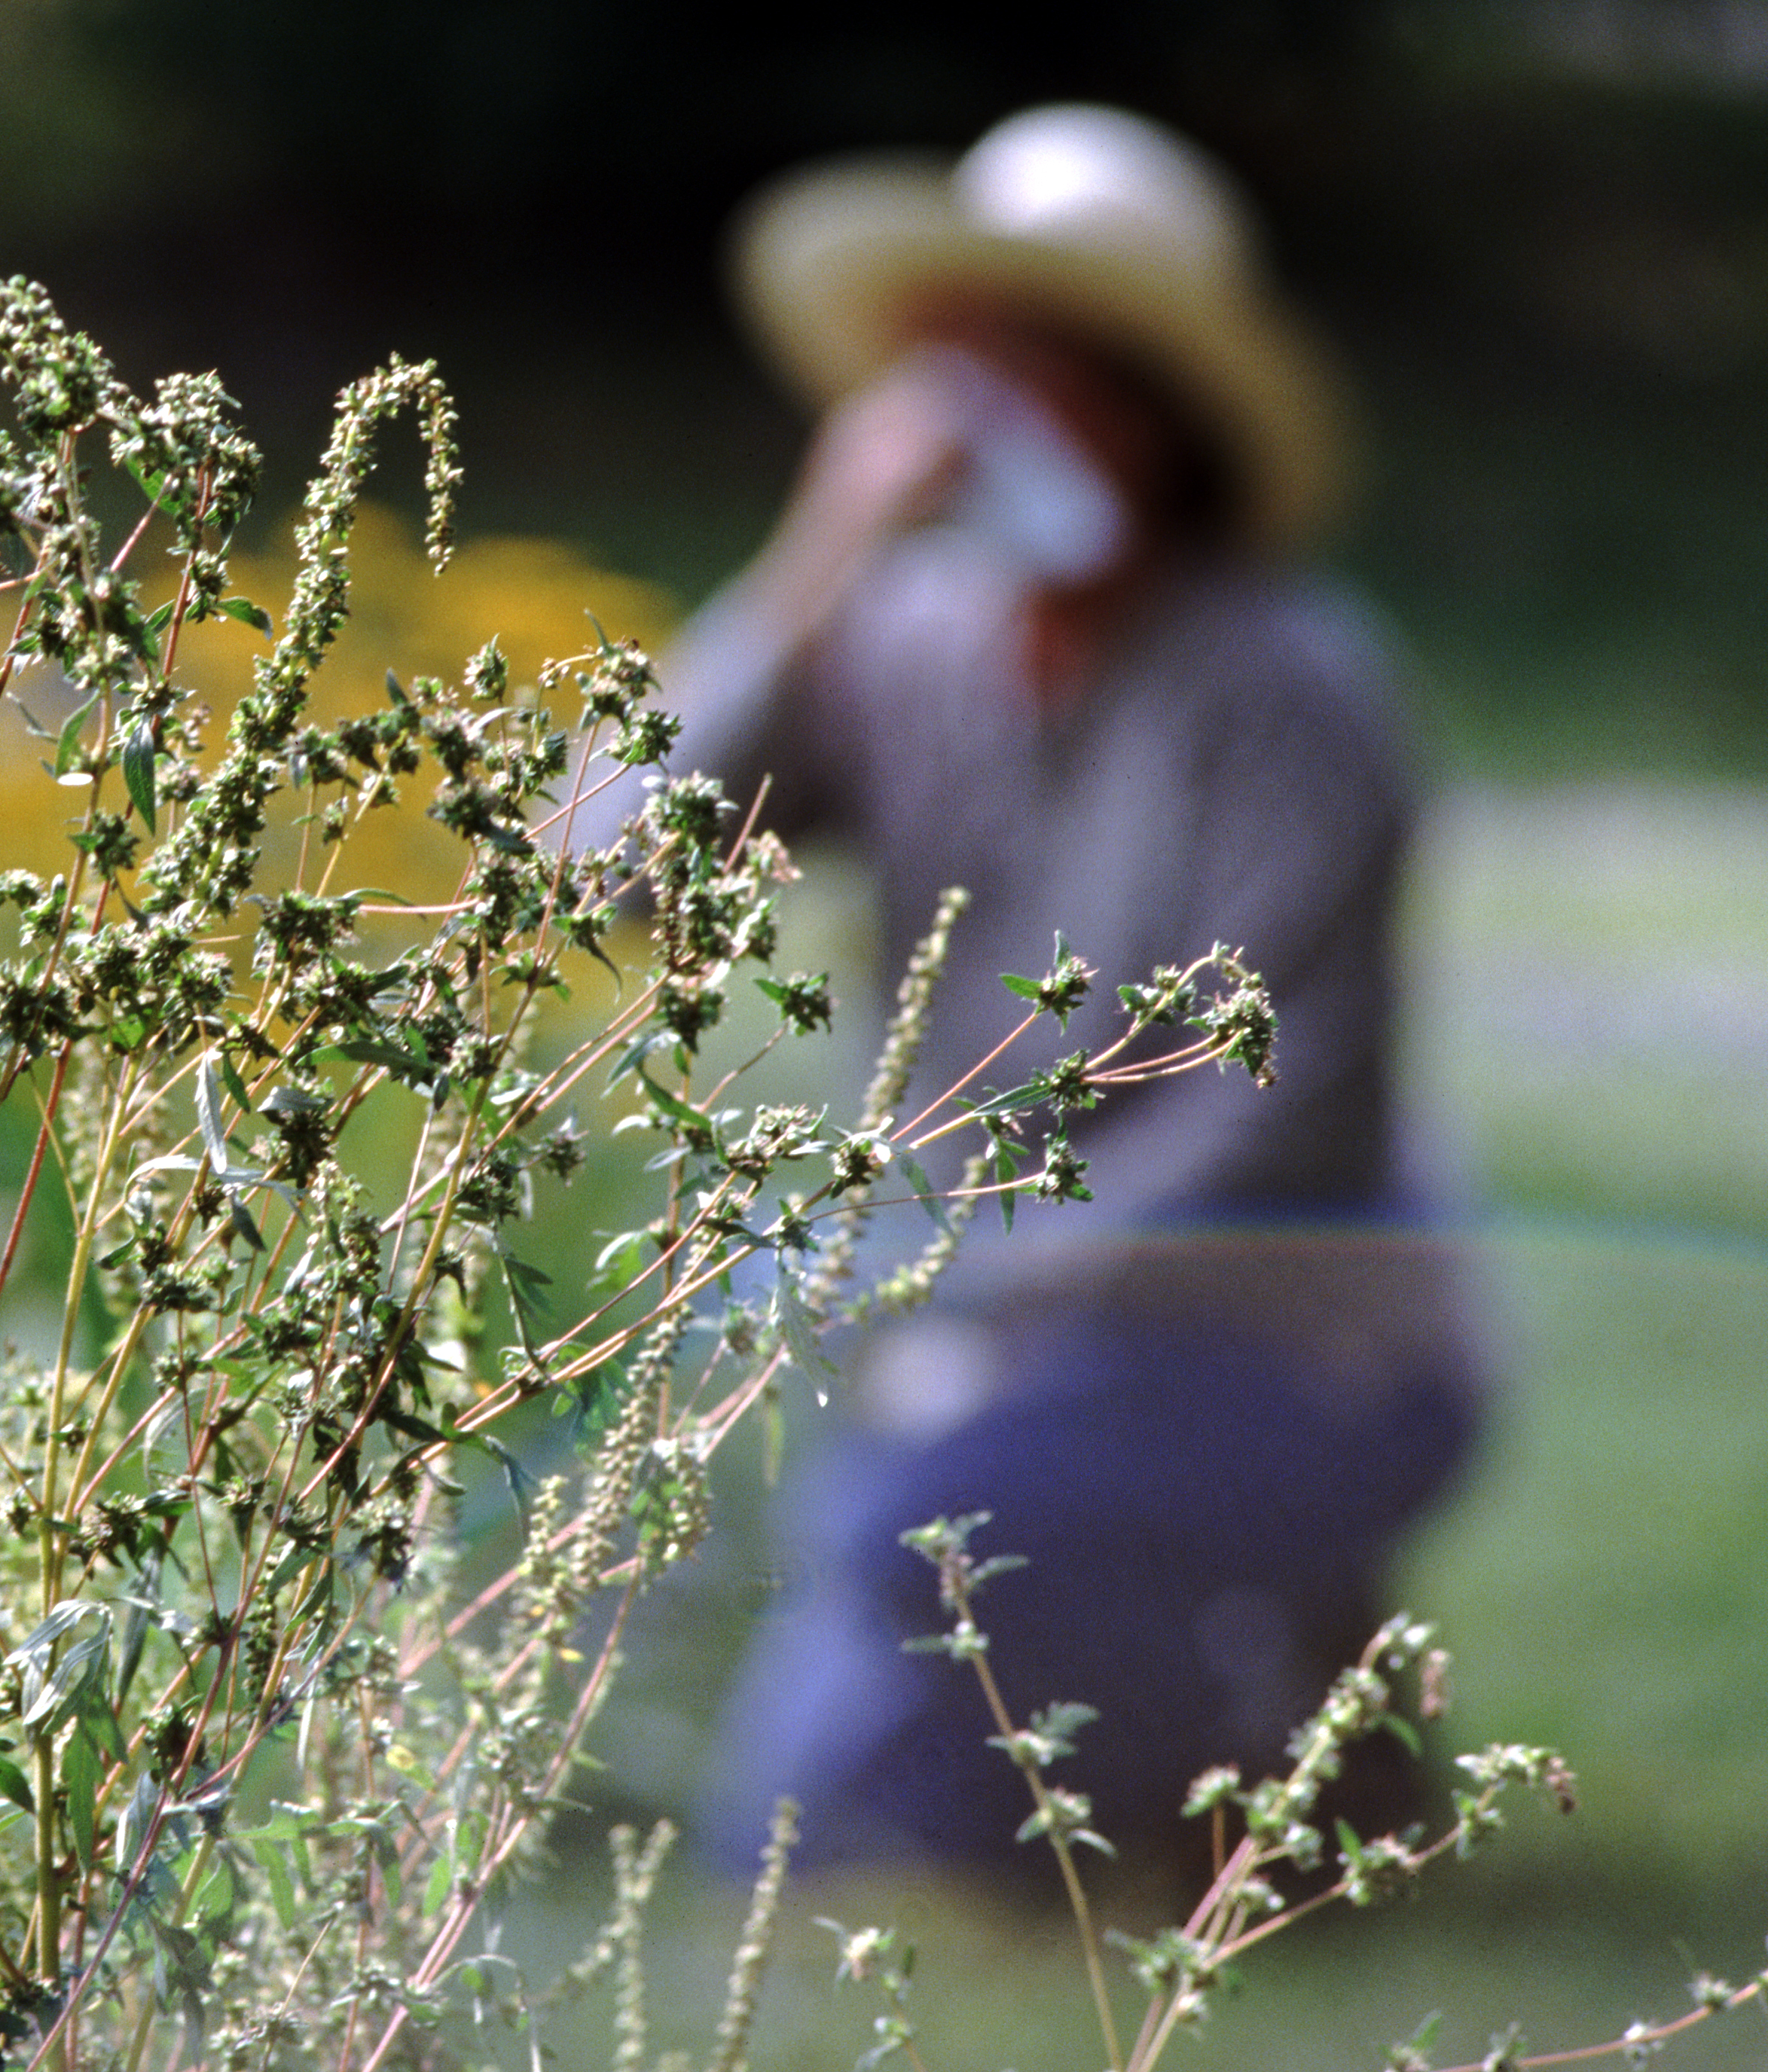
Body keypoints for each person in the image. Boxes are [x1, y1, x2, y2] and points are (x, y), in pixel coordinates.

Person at [619, 105, 1487, 1887]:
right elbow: (607, 869)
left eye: (1044, 371)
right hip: (997, 1315)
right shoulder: (899, 638)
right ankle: (1279, 1715)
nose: (984, 420)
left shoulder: (1290, 693)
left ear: (1153, 416)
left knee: (914, 1572)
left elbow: (1285, 1119)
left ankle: (1258, 1744)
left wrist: (961, 1311)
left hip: (1300, 1336)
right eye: (956, 373)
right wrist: (810, 565)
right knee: (811, 1624)